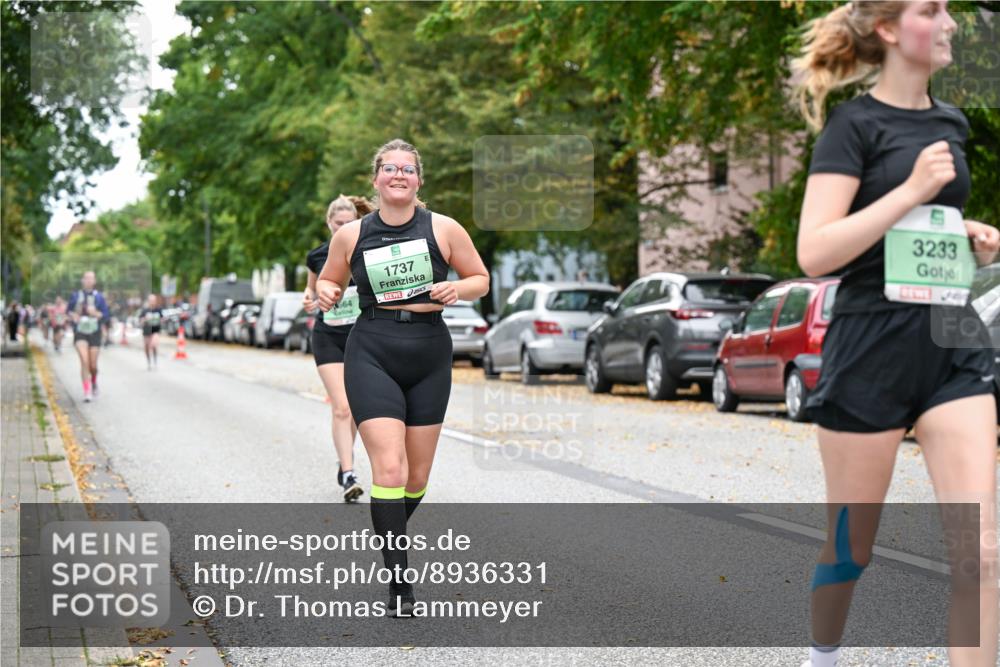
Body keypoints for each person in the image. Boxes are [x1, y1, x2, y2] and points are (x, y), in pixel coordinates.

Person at [793, 2, 998, 666]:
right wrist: (910, 191)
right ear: (887, 29)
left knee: (980, 550)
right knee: (850, 549)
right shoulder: (852, 127)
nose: (950, 23)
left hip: (950, 337)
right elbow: (815, 252)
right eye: (931, 10)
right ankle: (822, 656)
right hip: (870, 346)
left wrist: (966, 236)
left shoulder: (950, 123)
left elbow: (921, 235)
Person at [316, 139, 490, 616]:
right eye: (390, 168)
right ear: (376, 180)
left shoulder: (444, 228)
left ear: (418, 180)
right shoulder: (352, 235)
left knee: (416, 477)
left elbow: (480, 279)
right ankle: (399, 585)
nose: (399, 175)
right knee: (389, 470)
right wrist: (328, 291)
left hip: (430, 352)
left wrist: (457, 288)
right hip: (372, 349)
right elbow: (330, 278)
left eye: (407, 169)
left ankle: (387, 524)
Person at [303, 195, 375, 503]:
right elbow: (311, 288)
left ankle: (344, 459)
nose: (343, 227)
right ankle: (348, 473)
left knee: (356, 408)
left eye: (349, 223)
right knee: (342, 407)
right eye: (338, 223)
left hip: (361, 336)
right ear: (329, 223)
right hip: (328, 336)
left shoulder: (368, 251)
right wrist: (308, 298)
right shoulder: (318, 255)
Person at [67, 271, 111, 402]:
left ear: (94, 281)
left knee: (93, 365)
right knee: (84, 361)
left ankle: (94, 381)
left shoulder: (99, 297)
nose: (88, 280)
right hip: (80, 331)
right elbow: (68, 311)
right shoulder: (76, 296)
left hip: (94, 332)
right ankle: (87, 391)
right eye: (86, 278)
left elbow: (106, 315)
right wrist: (74, 315)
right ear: (82, 280)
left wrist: (96, 313)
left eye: (91, 278)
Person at [139, 294, 163, 370]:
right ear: (148, 301)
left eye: (154, 300)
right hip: (146, 330)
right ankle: (149, 362)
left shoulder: (158, 309)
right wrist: (145, 319)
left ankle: (155, 362)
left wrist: (160, 320)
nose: (152, 302)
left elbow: (162, 319)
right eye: (151, 300)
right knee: (146, 346)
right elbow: (140, 320)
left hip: (155, 330)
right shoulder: (145, 310)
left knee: (154, 345)